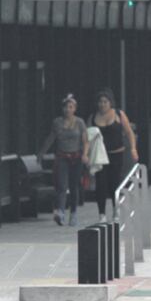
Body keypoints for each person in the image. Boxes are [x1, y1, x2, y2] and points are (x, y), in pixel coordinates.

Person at [39, 94, 88, 227]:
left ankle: (74, 213)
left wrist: (85, 154)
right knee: (62, 185)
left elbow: (85, 140)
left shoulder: (80, 122)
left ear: (75, 109)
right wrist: (42, 152)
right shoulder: (57, 122)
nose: (68, 109)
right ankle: (60, 211)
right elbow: (51, 138)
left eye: (70, 107)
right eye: (66, 107)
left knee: (74, 186)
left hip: (76, 157)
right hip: (62, 157)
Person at [89, 89, 138, 222]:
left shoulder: (118, 114)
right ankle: (101, 214)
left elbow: (129, 133)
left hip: (116, 153)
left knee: (114, 183)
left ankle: (116, 211)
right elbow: (88, 136)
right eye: (100, 102)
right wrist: (86, 153)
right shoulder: (93, 117)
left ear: (110, 103)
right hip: (100, 156)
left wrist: (133, 149)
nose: (102, 104)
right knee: (101, 184)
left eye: (105, 102)